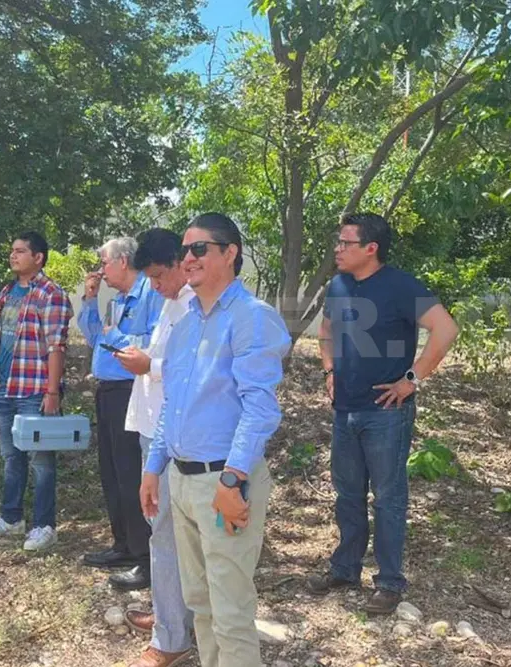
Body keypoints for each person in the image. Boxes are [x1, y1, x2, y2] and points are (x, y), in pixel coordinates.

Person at [140, 213, 291, 667]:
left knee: (230, 612)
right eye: (184, 251)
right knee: (200, 605)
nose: (188, 258)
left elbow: (259, 408)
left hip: (223, 482)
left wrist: (233, 478)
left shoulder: (252, 318)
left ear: (230, 253)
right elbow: (173, 405)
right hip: (182, 481)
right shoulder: (187, 324)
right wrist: (153, 467)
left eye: (199, 248)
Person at [307, 212, 459, 615]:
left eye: (345, 243)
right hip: (345, 411)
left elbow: (446, 329)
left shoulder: (401, 286)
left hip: (386, 413)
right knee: (347, 495)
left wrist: (412, 379)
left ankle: (389, 582)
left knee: (388, 498)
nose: (337, 249)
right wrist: (329, 370)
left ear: (371, 248)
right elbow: (325, 333)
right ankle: (344, 569)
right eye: (337, 242)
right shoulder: (338, 286)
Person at [113, 228, 195, 667]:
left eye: (160, 275)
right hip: (154, 429)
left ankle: (172, 639)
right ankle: (171, 616)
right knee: (162, 531)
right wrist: (144, 358)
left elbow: (194, 367)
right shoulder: (170, 304)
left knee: (166, 534)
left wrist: (150, 364)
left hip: (174, 432)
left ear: (181, 263)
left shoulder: (195, 307)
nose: (156, 285)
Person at [0, 231, 72, 551]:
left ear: (38, 257)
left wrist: (52, 392)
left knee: (40, 460)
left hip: (35, 388)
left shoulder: (51, 293)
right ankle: (11, 518)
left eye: (19, 251)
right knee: (11, 457)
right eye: (11, 251)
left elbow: (56, 346)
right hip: (6, 385)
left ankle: (45, 526)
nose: (12, 256)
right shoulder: (9, 290)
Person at [78, 237, 165, 591]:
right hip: (108, 391)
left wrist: (116, 336)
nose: (101, 270)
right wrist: (88, 299)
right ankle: (124, 545)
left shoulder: (150, 293)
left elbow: (152, 341)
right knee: (112, 473)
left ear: (124, 261)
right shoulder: (115, 301)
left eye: (104, 263)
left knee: (133, 474)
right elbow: (93, 336)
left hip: (134, 391)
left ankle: (147, 558)